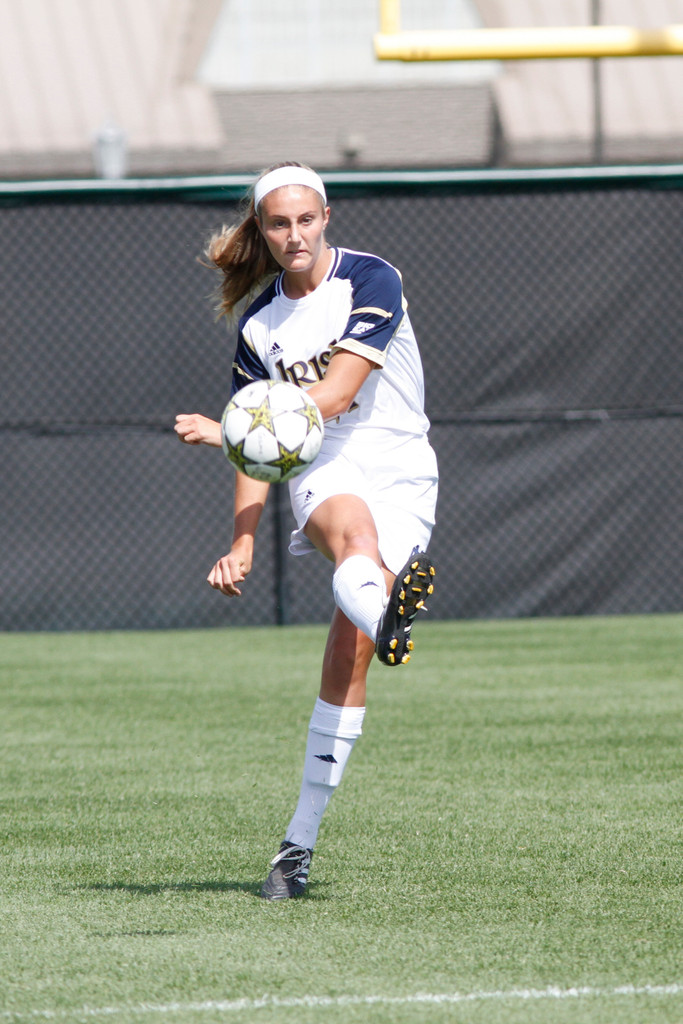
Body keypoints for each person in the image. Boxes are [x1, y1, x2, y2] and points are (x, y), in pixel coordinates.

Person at [175, 161, 438, 900]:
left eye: (305, 219)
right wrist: (243, 539)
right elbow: (264, 451)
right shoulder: (259, 324)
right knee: (353, 543)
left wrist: (236, 425)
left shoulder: (369, 278)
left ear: (327, 216)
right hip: (323, 463)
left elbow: (341, 389)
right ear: (261, 229)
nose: (294, 234)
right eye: (277, 223)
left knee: (344, 663)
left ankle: (296, 848)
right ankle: (389, 611)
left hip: (400, 460)